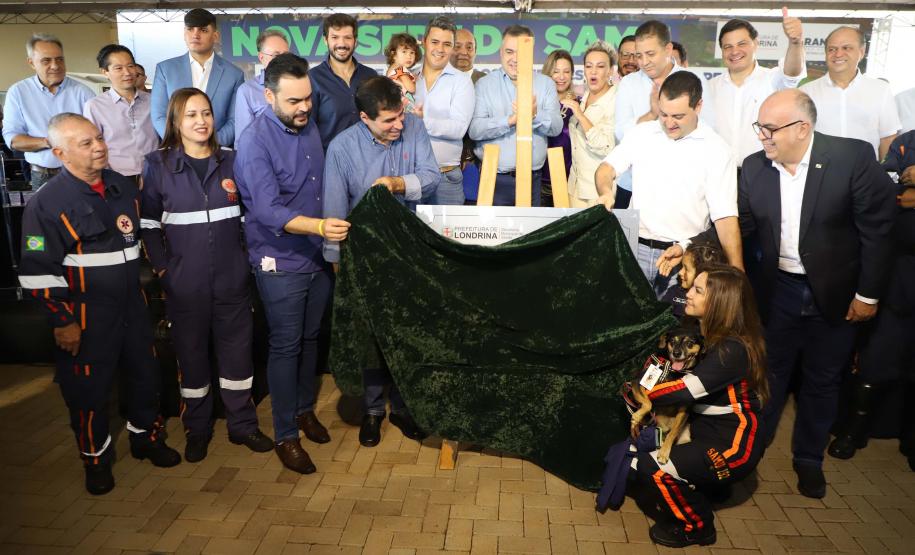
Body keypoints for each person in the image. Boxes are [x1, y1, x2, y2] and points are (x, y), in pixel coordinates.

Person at [657, 89, 896, 498]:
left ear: (802, 129)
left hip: (837, 296)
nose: (762, 137)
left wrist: (868, 295)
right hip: (777, 292)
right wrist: (689, 244)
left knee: (822, 381)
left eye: (770, 129)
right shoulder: (754, 168)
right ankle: (751, 455)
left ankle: (808, 460)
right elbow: (735, 224)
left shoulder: (851, 159)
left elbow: (877, 231)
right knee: (767, 378)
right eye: (760, 128)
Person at [17, 113, 180, 496]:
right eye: (86, 144)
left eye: (99, 138)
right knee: (88, 392)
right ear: (60, 153)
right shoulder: (45, 204)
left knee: (145, 377)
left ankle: (146, 440)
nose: (100, 147)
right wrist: (62, 321)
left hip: (133, 306)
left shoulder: (122, 187)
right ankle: (96, 460)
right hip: (86, 315)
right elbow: (38, 272)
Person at [139, 88, 274, 463]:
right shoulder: (157, 165)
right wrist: (166, 270)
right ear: (176, 123)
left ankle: (242, 426)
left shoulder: (233, 161)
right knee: (193, 361)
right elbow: (148, 226)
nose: (201, 121)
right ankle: (197, 430)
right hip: (185, 287)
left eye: (206, 113)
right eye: (191, 115)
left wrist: (246, 261)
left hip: (233, 282)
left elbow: (252, 217)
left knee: (237, 360)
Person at [235, 54, 350, 474]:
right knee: (285, 345)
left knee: (311, 338)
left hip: (316, 254)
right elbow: (266, 209)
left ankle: (304, 410)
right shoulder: (254, 141)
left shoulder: (310, 126)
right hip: (279, 259)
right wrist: (320, 226)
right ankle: (286, 434)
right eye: (294, 101)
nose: (304, 108)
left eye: (308, 99)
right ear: (269, 96)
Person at [323, 76, 439, 447]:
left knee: (408, 332)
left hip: (410, 249)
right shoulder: (341, 148)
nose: (399, 125)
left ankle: (405, 408)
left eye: (400, 116)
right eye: (389, 121)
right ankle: (373, 411)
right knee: (370, 336)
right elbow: (335, 211)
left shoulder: (415, 127)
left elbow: (432, 177)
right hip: (364, 256)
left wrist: (396, 182)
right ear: (364, 117)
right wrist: (337, 263)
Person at [633, 266, 768, 547]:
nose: (687, 294)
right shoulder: (708, 335)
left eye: (697, 290)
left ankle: (698, 527)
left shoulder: (731, 349)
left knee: (650, 466)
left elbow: (681, 391)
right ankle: (708, 484)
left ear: (719, 302)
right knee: (642, 454)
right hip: (707, 432)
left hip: (733, 445)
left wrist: (641, 390)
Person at [594, 71, 740, 298]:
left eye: (678, 116)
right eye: (663, 114)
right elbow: (606, 169)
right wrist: (605, 192)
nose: (669, 123)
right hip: (634, 249)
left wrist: (737, 276)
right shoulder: (642, 133)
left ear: (698, 106)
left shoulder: (717, 150)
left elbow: (726, 220)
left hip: (685, 257)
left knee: (677, 327)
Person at [827, 129, 915, 463]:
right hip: (898, 271)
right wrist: (905, 193)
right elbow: (885, 188)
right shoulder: (908, 141)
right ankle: (855, 430)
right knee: (878, 355)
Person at [469, 25, 563, 206]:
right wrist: (510, 121)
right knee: (493, 233)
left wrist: (533, 115)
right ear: (501, 52)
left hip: (533, 180)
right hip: (494, 180)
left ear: (531, 53)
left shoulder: (546, 84)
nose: (515, 59)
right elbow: (475, 130)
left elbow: (557, 127)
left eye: (521, 52)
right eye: (509, 52)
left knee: (533, 233)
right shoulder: (484, 84)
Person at [707, 13, 806, 168]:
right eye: (728, 47)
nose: (735, 51)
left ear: (756, 44)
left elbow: (792, 73)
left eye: (742, 44)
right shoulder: (710, 88)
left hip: (764, 170)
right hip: (720, 172)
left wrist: (795, 42)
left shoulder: (772, 79)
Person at [2, 33, 94, 190]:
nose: (55, 65)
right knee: (46, 215)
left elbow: (96, 133)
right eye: (46, 61)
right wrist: (49, 142)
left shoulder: (83, 92)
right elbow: (13, 139)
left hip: (81, 173)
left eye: (59, 59)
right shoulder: (18, 92)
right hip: (42, 175)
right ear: (31, 63)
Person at [801, 26, 900, 160]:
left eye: (846, 48)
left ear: (862, 51)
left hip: (867, 176)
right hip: (819, 174)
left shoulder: (881, 90)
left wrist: (886, 176)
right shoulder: (806, 92)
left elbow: (887, 138)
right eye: (832, 49)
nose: (838, 54)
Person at [151, 9, 245, 147]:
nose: (195, 35)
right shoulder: (165, 69)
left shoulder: (234, 74)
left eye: (203, 30)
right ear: (184, 34)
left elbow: (235, 120)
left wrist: (209, 147)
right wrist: (183, 145)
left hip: (217, 154)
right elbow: (159, 115)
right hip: (176, 151)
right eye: (190, 29)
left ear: (216, 35)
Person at [614, 20, 715, 146]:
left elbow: (709, 127)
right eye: (639, 56)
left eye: (650, 54)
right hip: (640, 163)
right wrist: (651, 115)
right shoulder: (629, 83)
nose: (644, 62)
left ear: (668, 49)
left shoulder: (694, 79)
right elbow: (620, 133)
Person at [414, 16, 475, 205]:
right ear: (424, 42)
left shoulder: (462, 81)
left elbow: (458, 128)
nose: (440, 49)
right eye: (435, 42)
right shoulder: (406, 77)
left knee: (447, 235)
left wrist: (421, 122)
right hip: (409, 177)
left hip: (445, 178)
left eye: (447, 44)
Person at [83, 44, 158, 181]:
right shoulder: (95, 106)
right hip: (117, 179)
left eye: (130, 66)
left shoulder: (153, 101)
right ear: (105, 72)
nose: (127, 73)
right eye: (118, 68)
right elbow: (92, 147)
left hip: (155, 174)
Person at [309, 13, 378, 150]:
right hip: (329, 161)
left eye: (347, 37)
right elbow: (309, 128)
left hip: (369, 159)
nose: (341, 44)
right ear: (325, 40)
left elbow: (379, 118)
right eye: (335, 37)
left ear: (355, 41)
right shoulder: (312, 78)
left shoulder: (371, 75)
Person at [564, 41, 616, 208]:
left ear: (610, 71)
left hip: (598, 192)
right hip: (574, 187)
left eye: (600, 66)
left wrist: (579, 114)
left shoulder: (616, 100)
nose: (593, 71)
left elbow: (606, 147)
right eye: (588, 66)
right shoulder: (584, 96)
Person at [233, 29, 290, 147]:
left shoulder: (299, 86)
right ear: (261, 57)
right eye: (276, 55)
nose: (283, 60)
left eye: (286, 55)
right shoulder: (247, 91)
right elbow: (243, 141)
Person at [541, 49, 576, 207]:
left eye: (566, 71)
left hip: (569, 184)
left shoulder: (579, 105)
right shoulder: (537, 104)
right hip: (537, 181)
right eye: (556, 71)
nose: (561, 77)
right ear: (547, 73)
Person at [613, 35, 639, 208]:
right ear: (617, 56)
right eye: (625, 55)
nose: (630, 61)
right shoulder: (603, 87)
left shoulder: (653, 90)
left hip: (637, 177)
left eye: (635, 55)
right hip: (608, 176)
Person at [384, 33, 421, 114]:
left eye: (412, 52)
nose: (409, 56)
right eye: (404, 52)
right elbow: (412, 89)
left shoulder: (390, 70)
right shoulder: (400, 70)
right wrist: (415, 80)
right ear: (393, 54)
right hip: (405, 108)